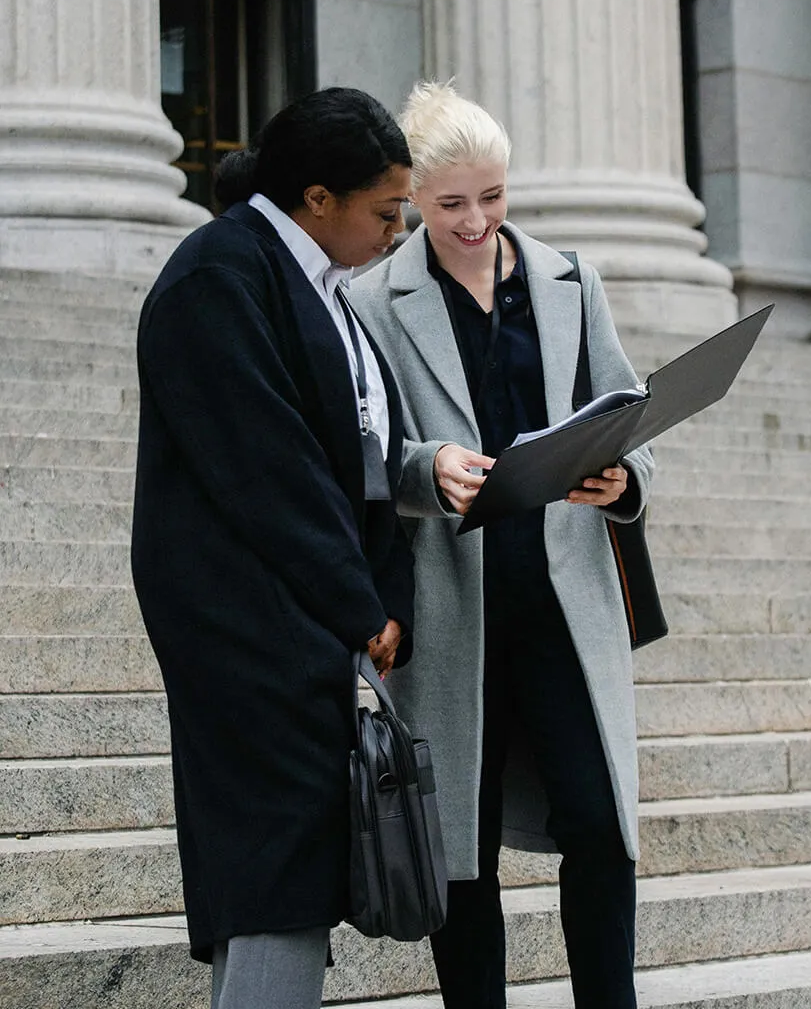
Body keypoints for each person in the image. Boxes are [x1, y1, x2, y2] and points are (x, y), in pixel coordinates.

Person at [350, 81, 653, 1009]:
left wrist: (622, 480)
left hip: (566, 603)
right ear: (413, 201)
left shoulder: (572, 280)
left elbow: (626, 412)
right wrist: (422, 468)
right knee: (461, 857)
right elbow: (358, 446)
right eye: (449, 205)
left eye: (493, 196)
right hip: (451, 608)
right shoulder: (373, 298)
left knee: (602, 830)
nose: (476, 221)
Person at [130, 87, 415, 1009]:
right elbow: (267, 467)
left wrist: (378, 592)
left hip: (297, 630)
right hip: (247, 629)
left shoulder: (311, 282)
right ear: (319, 198)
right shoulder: (221, 272)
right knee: (273, 875)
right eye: (386, 211)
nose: (398, 230)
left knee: (284, 872)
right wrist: (359, 601)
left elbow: (359, 455)